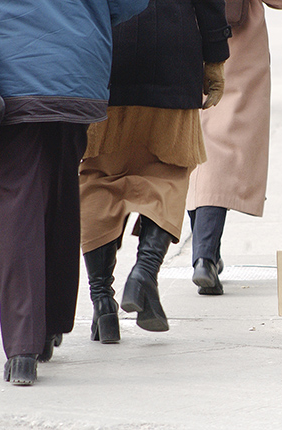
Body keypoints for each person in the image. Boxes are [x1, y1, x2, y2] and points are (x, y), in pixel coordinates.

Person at [0, 0, 149, 386]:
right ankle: (52, 323)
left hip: (6, 74)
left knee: (17, 205)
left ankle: (23, 346)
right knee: (61, 192)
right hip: (77, 68)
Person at [79, 0, 231, 342]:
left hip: (105, 53)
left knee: (98, 175)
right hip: (172, 56)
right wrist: (216, 58)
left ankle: (103, 301)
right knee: (168, 170)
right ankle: (144, 273)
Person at [186, 0, 282, 296]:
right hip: (236, 41)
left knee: (190, 142)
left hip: (178, 31)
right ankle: (205, 256)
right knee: (223, 147)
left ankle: (208, 252)